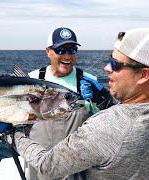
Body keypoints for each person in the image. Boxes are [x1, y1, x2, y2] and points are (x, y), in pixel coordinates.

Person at [5, 28, 149, 179]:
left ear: (144, 75)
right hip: (57, 156)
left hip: (58, 164)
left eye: (115, 64)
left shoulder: (103, 124)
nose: (106, 68)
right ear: (48, 52)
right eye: (60, 50)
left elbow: (49, 165)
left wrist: (12, 135)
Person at [22, 27, 114, 180]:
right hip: (37, 162)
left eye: (72, 50)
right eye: (60, 50)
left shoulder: (88, 81)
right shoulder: (32, 78)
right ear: (48, 52)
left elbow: (111, 119)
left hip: (75, 167)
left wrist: (103, 100)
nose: (67, 56)